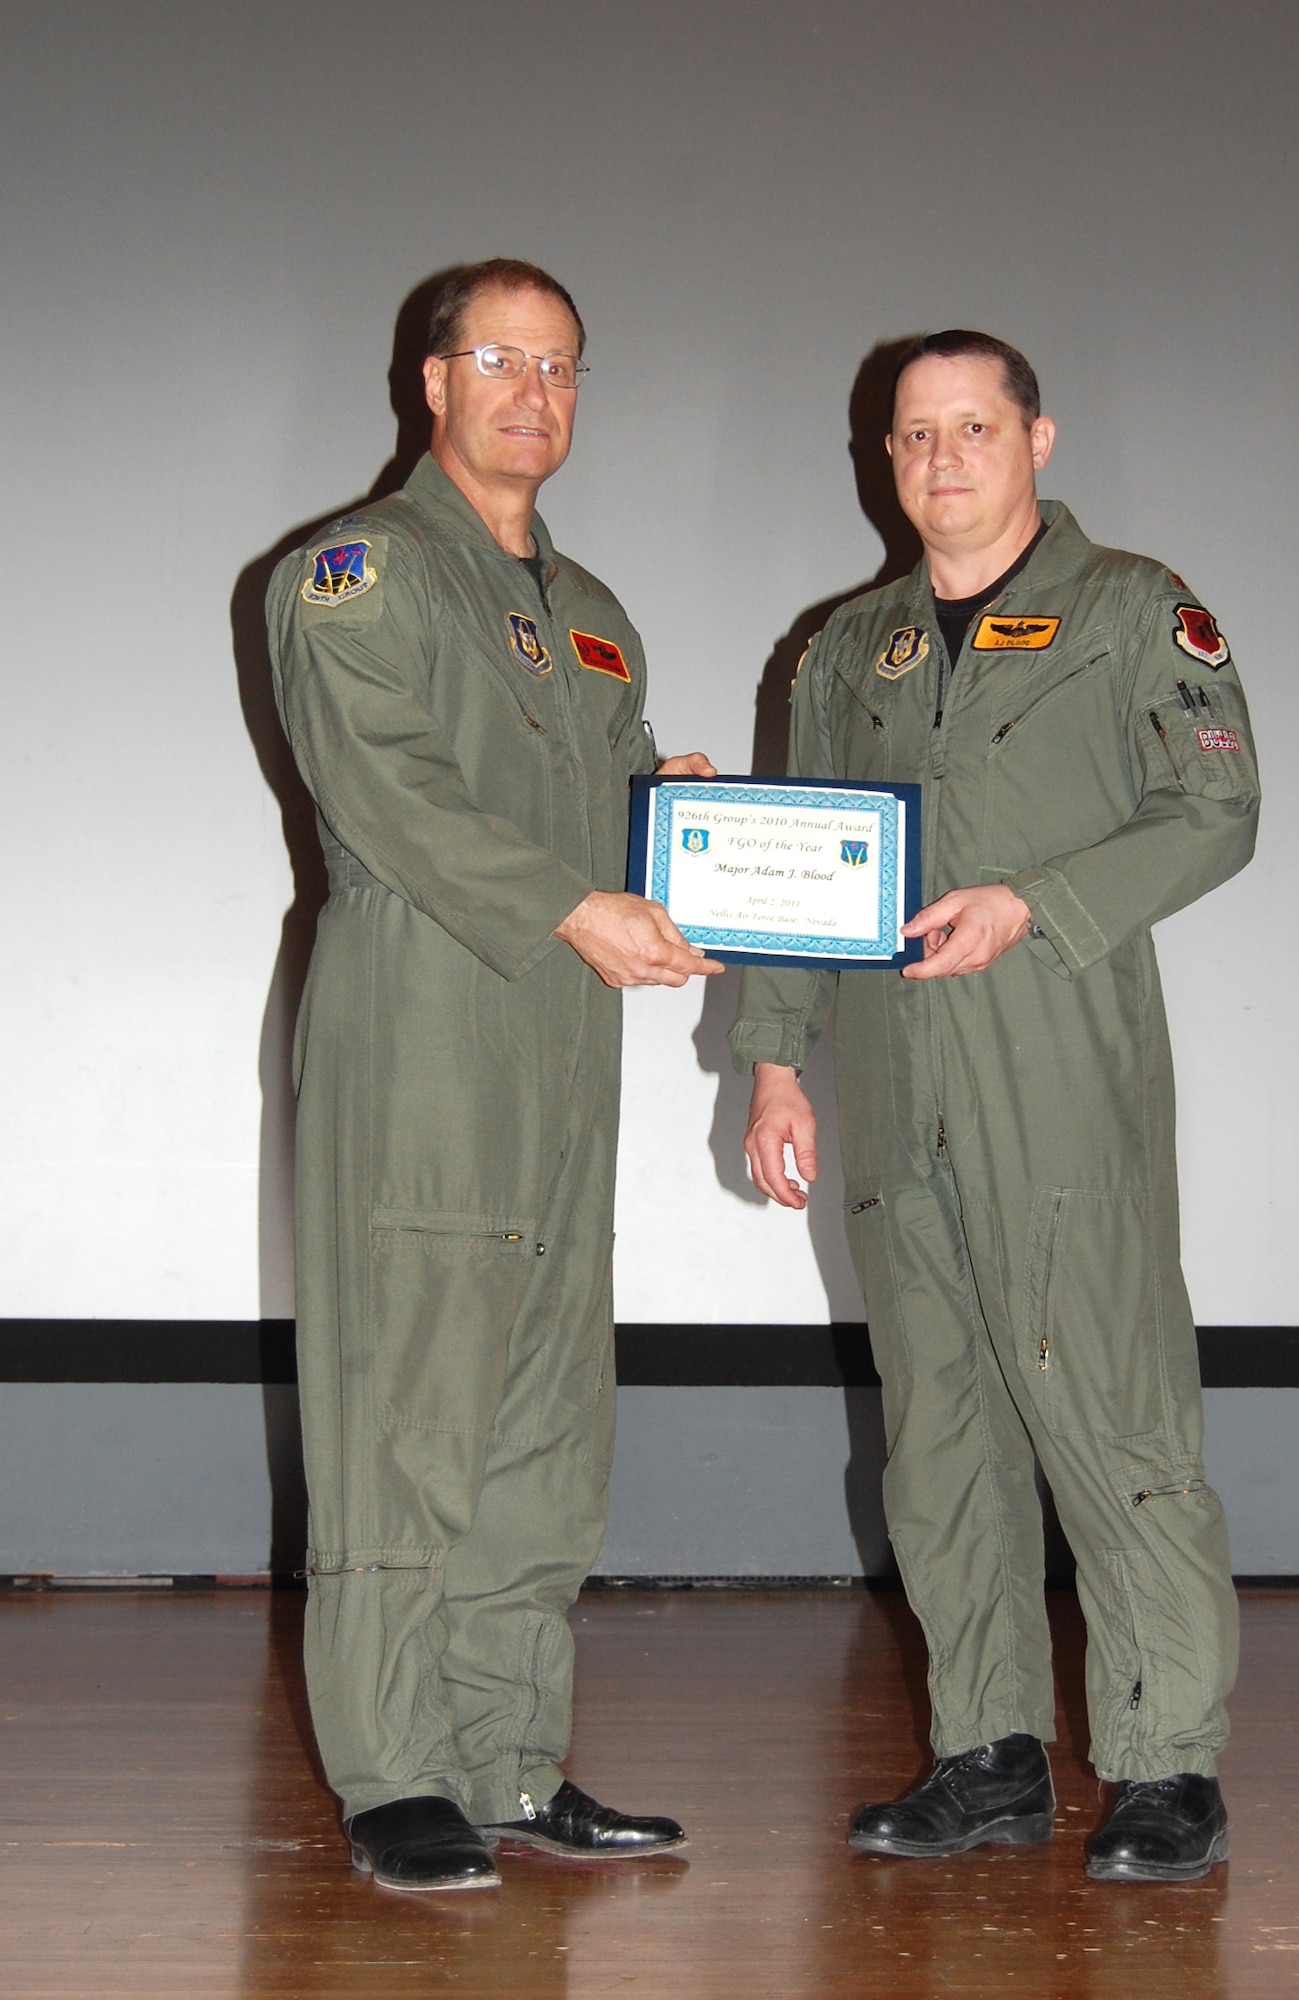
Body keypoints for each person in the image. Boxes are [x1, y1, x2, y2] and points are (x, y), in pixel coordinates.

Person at [730, 330, 1259, 1883]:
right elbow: (799, 861)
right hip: (897, 1082)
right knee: (940, 1430)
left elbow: (1215, 805)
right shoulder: (848, 649)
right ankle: (988, 1754)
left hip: (1057, 1068)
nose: (941, 456)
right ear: (881, 462)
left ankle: (1167, 1764)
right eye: (912, 435)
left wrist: (1033, 904)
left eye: (972, 426)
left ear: (1038, 439)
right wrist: (774, 1057)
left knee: (1107, 1405)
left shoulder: (1130, 612)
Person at [267, 259, 721, 1892]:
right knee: (407, 1404)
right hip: (425, 1027)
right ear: (432, 381)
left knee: (542, 1409)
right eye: (500, 359)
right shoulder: (359, 572)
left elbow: (593, 812)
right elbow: (383, 787)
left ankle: (509, 1762)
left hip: (558, 1043)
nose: (534, 393)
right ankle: (395, 1766)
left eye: (563, 368)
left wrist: (672, 823)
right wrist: (572, 897)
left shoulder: (592, 616)